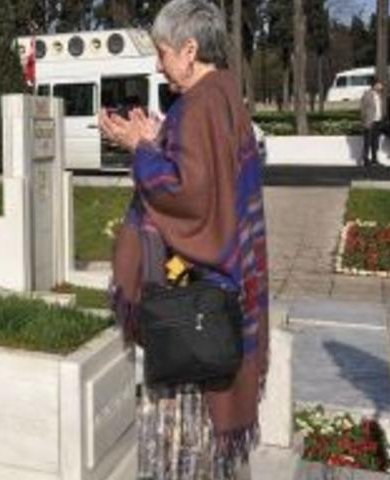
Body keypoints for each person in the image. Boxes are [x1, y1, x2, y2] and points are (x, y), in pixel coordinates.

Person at [99, 1, 268, 479]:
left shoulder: (198, 105)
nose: (158, 65)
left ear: (190, 50)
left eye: (163, 52)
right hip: (218, 304)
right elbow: (208, 183)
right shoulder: (223, 95)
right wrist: (158, 141)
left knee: (183, 453)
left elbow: (186, 197)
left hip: (189, 313)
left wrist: (140, 147)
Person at [361, 79, 383, 167]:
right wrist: (365, 121)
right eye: (380, 84)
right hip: (370, 121)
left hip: (378, 121)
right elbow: (363, 109)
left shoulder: (379, 95)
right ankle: (365, 159)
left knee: (375, 142)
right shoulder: (367, 94)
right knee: (368, 141)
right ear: (375, 85)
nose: (381, 86)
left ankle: (374, 159)